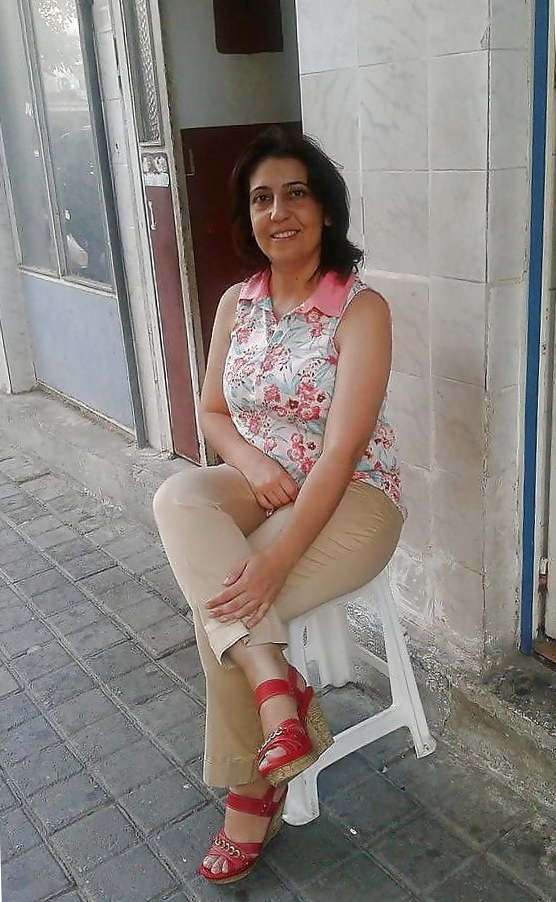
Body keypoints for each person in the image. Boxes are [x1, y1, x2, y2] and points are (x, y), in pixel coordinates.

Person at [153, 127, 405, 884]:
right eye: (262, 198)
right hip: (266, 482)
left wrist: (273, 562)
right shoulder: (239, 302)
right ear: (249, 216)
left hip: (352, 498)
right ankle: (276, 689)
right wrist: (254, 462)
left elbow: (341, 453)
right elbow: (211, 413)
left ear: (325, 209)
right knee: (178, 494)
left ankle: (250, 796)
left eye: (296, 193)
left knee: (225, 606)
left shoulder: (361, 309)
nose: (278, 211)